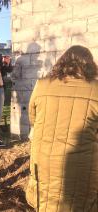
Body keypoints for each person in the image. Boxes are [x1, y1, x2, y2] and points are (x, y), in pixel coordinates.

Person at [26, 45, 98, 211]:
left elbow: (33, 119)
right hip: (82, 163)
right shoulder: (96, 90)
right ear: (89, 65)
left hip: (43, 158)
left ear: (62, 62)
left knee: (46, 203)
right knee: (79, 203)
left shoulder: (42, 85)